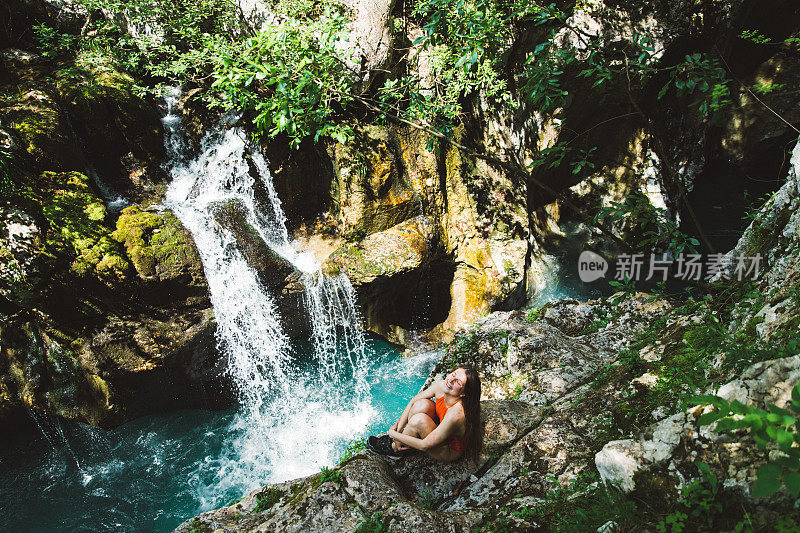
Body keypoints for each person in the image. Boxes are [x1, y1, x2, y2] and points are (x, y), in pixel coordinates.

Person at [368, 365, 483, 463]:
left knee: (419, 420)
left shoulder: (456, 413)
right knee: (421, 404)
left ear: (463, 393)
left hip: (448, 449)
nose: (451, 380)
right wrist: (399, 430)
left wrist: (393, 434)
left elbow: (425, 445)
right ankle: (404, 440)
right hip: (441, 427)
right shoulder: (442, 386)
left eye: (458, 382)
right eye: (453, 374)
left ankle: (395, 450)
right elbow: (414, 401)